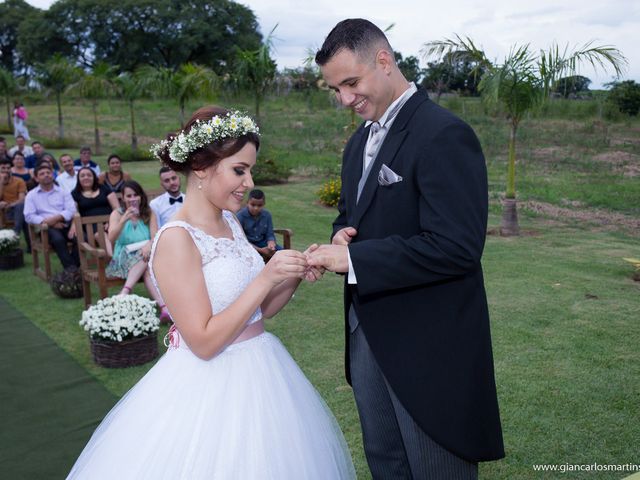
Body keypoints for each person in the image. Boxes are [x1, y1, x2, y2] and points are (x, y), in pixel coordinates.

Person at [67, 106, 355, 479]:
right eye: (239, 169)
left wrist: (293, 273)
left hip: (262, 372)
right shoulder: (176, 240)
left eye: (250, 170)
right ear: (201, 168)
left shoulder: (231, 221)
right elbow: (203, 341)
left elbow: (260, 312)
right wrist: (266, 277)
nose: (249, 181)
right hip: (210, 387)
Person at [307, 19, 504, 479]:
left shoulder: (443, 135)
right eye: (335, 89)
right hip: (366, 336)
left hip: (428, 347)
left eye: (351, 83)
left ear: (384, 60)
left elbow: (456, 247)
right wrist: (341, 236)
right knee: (387, 466)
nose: (345, 99)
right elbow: (355, 217)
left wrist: (354, 260)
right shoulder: (358, 143)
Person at [104, 181, 165, 315]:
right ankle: (163, 306)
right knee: (147, 262)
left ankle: (125, 292)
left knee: (147, 263)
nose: (132, 199)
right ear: (123, 198)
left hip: (145, 255)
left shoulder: (148, 213)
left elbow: (155, 236)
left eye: (135, 195)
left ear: (141, 197)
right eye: (129, 196)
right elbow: (112, 238)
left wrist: (148, 245)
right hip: (123, 257)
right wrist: (123, 219)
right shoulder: (117, 213)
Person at [24, 163, 79, 271]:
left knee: (81, 238)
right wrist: (48, 223)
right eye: (42, 174)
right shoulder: (31, 195)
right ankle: (72, 270)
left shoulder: (63, 191)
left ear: (53, 175)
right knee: (58, 240)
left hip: (64, 224)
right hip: (45, 228)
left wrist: (56, 219)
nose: (46, 175)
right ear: (36, 178)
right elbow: (29, 216)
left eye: (48, 173)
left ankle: (73, 267)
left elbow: (71, 210)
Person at [236, 188, 282, 261]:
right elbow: (241, 240)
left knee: (284, 254)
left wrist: (271, 243)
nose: (256, 208)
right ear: (247, 203)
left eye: (259, 205)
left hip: (263, 243)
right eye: (253, 205)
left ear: (264, 204)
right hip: (248, 246)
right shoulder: (240, 216)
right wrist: (261, 250)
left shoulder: (267, 215)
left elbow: (270, 234)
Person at [0, 159, 30, 252]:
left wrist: (10, 205)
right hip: (2, 211)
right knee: (24, 218)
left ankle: (14, 234)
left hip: (15, 209)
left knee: (21, 206)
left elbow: (22, 199)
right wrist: (1, 182)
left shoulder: (19, 181)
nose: (6, 170)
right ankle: (28, 245)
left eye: (8, 168)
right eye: (3, 168)